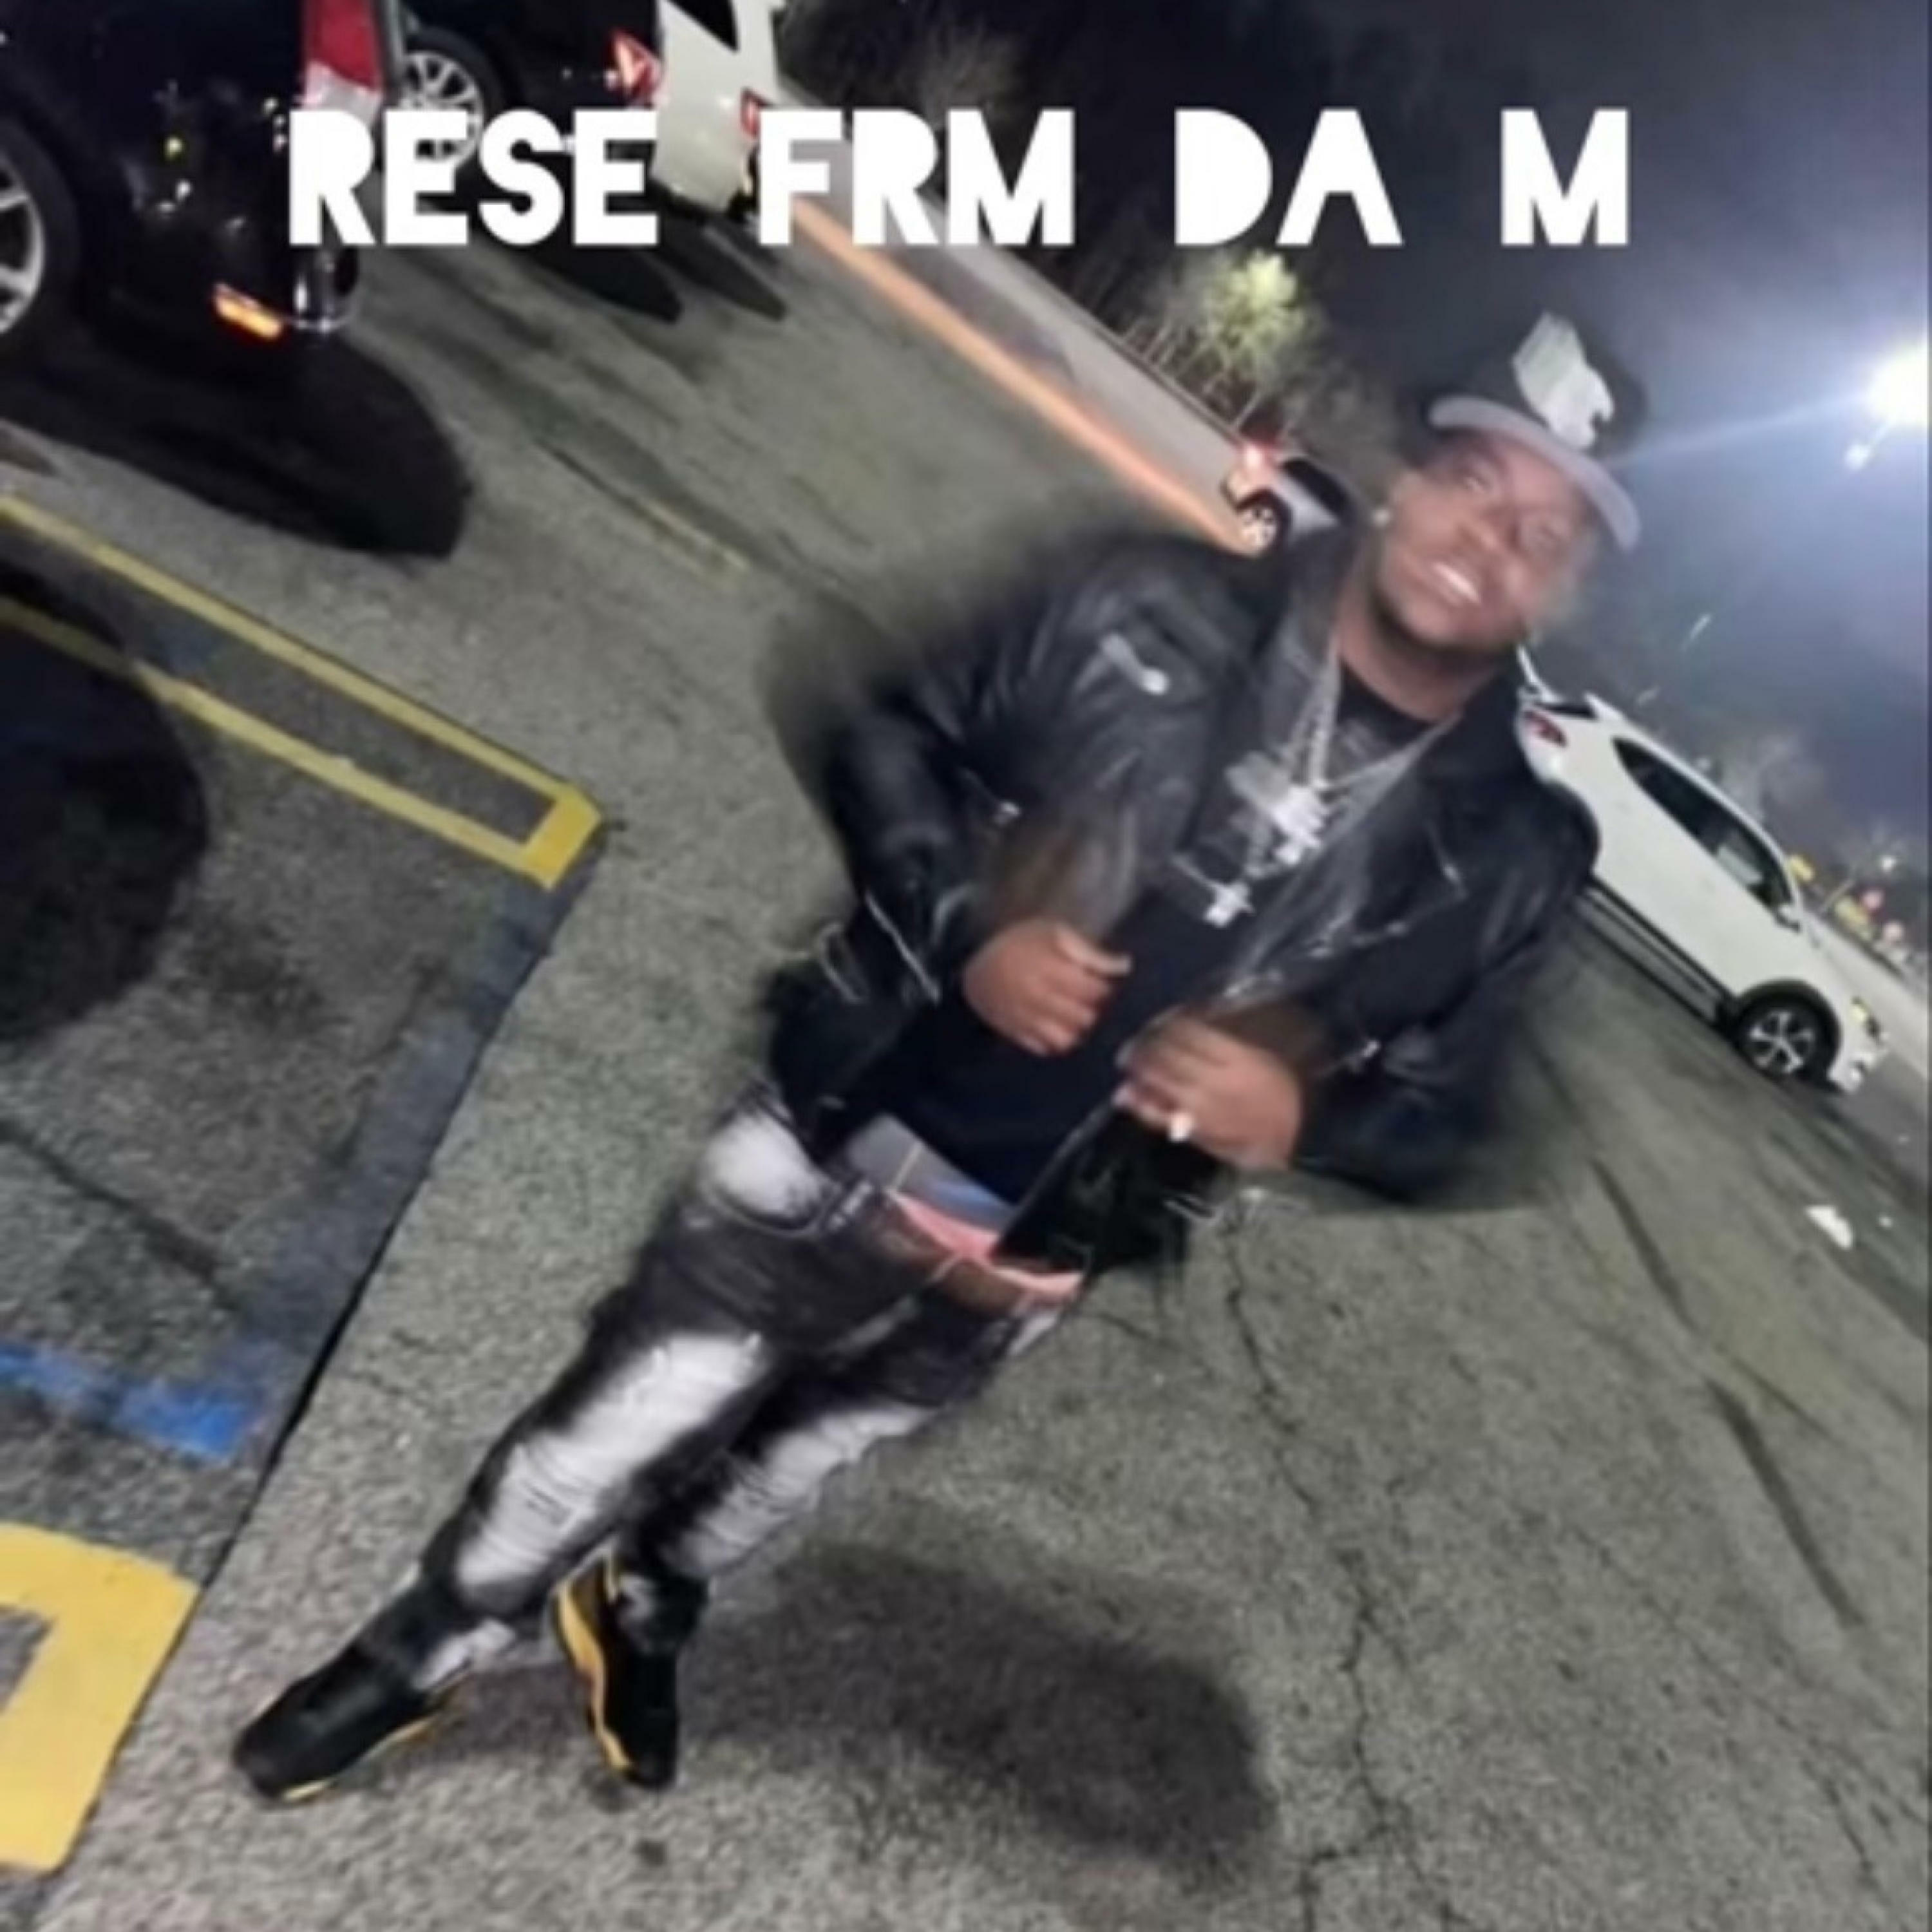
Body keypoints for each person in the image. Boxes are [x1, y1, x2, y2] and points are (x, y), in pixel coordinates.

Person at [235, 314, 1642, 1801]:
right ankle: (427, 1642)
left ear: (1565, 591)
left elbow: (1462, 1120)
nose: (1492, 541)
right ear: (1407, 480)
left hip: (1039, 1248)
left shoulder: (1518, 853)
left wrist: (1305, 1113)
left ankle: (643, 1599)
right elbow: (875, 712)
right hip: (847, 1132)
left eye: (1544, 535)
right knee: (618, 1422)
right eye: (1476, 484)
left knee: (799, 1461)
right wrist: (966, 924)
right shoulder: (1145, 599)